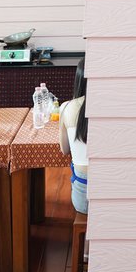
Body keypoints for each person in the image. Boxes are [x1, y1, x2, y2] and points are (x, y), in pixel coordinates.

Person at [58, 57, 88, 214]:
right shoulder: (115, 107)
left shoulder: (66, 107)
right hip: (116, 195)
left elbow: (64, 150)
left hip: (83, 201)